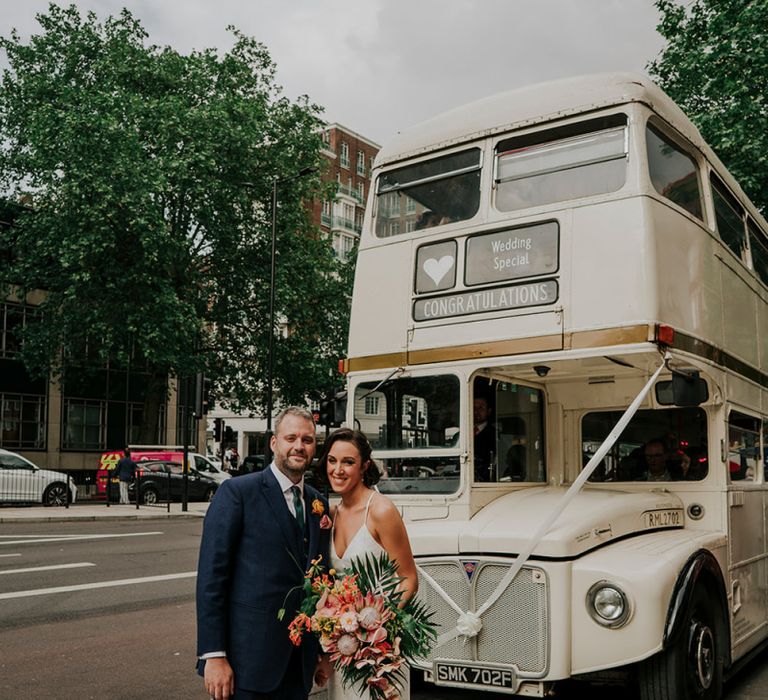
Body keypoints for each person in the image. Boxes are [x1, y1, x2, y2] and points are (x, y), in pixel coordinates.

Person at [196, 406, 331, 700]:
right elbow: (211, 579)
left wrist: (321, 650)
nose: (299, 446)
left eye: (307, 440)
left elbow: (319, 581)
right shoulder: (238, 493)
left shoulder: (318, 502)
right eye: (291, 437)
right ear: (274, 443)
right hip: (247, 664)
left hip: (299, 666)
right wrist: (214, 655)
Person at [320, 428, 418, 700]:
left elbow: (409, 578)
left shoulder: (381, 511)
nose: (337, 470)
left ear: (364, 466)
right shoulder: (330, 514)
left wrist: (375, 627)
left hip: (380, 652)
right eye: (332, 460)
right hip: (343, 647)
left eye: (348, 462)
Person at [473, 395, 495, 482]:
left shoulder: (494, 435)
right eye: (474, 407)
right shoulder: (460, 435)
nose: (476, 411)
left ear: (488, 411)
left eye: (481, 408)